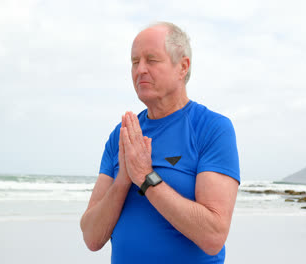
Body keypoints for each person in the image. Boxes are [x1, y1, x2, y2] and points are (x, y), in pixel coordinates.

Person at [80, 21, 240, 264]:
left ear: (182, 67)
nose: (140, 69)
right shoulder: (122, 134)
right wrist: (123, 180)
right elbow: (92, 237)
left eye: (151, 60)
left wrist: (146, 177)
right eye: (135, 62)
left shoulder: (211, 128)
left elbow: (213, 235)